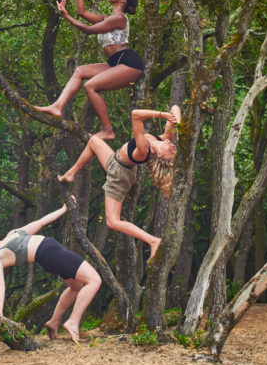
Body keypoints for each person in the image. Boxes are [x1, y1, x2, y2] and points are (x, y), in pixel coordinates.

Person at [58, 105, 181, 261]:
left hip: (119, 174)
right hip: (116, 160)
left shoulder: (145, 149)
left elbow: (136, 115)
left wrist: (161, 114)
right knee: (94, 141)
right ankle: (70, 174)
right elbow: (175, 107)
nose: (172, 147)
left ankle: (153, 240)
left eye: (170, 152)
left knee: (112, 221)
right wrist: (179, 125)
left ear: (159, 157)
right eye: (173, 149)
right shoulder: (164, 140)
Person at [0, 200, 101, 343]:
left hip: (53, 253)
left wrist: (64, 208)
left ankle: (53, 322)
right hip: (50, 255)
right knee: (94, 280)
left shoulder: (11, 234)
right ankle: (73, 322)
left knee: (75, 287)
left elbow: (41, 222)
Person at [36, 0, 143, 140]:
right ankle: (57, 106)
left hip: (129, 64)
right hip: (116, 63)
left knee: (90, 85)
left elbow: (87, 30)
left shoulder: (119, 18)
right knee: (80, 71)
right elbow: (83, 13)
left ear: (122, 0)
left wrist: (65, 15)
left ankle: (108, 130)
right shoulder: (106, 18)